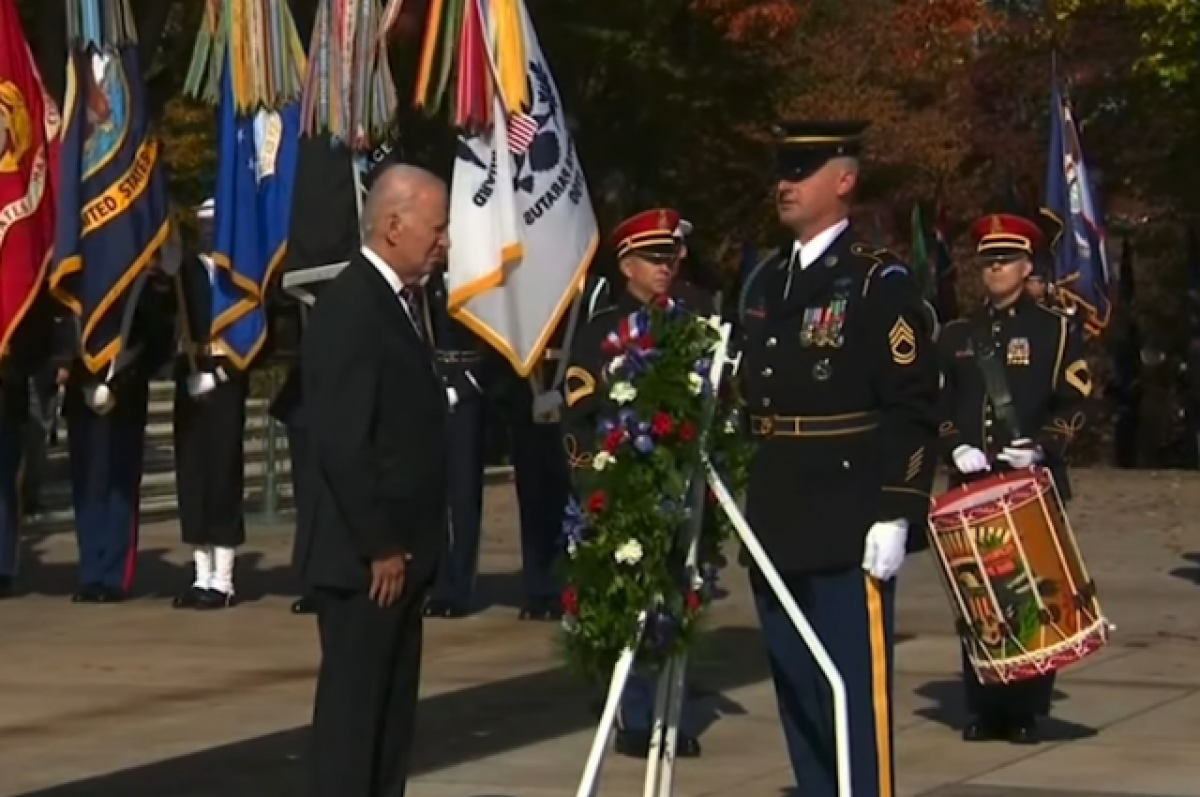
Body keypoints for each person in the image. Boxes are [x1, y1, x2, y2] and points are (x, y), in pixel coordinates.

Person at [737, 120, 940, 796]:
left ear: (844, 180)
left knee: (853, 695)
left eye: (801, 169)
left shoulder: (878, 283)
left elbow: (913, 406)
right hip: (775, 512)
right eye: (780, 169)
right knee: (796, 686)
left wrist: (899, 509)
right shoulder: (766, 280)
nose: (784, 184)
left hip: (846, 515)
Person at [298, 164, 450, 797]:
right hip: (366, 564)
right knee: (353, 732)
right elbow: (342, 440)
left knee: (388, 732)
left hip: (401, 558)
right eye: (437, 229)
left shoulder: (398, 304)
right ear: (393, 225)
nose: (445, 243)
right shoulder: (352, 306)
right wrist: (380, 543)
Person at [936, 211, 1094, 745]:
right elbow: (935, 403)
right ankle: (983, 704)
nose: (995, 271)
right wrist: (953, 444)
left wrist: (1044, 447)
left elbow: (1077, 402)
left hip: (1026, 483)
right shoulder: (958, 333)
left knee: (1029, 596)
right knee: (977, 595)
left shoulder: (1054, 329)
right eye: (987, 262)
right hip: (971, 483)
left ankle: (1025, 708)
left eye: (1005, 261)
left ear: (1027, 266)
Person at [563, 207, 707, 759]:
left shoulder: (691, 324)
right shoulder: (603, 332)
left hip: (681, 484)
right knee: (630, 603)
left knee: (677, 599)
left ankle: (671, 713)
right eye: (654, 258)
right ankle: (637, 715)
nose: (665, 267)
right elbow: (579, 411)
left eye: (670, 256)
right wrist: (591, 479)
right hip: (622, 486)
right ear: (626, 264)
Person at [58, 257, 174, 604]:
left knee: (120, 482)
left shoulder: (142, 285)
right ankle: (91, 572)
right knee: (88, 483)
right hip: (83, 392)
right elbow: (65, 330)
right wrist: (76, 377)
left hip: (124, 391)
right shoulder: (76, 276)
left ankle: (115, 575)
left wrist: (123, 381)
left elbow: (156, 339)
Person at [171, 199, 248, 610]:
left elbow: (257, 334)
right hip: (189, 377)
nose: (206, 232)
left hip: (224, 381)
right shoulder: (182, 273)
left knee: (223, 475)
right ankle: (200, 574)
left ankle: (224, 578)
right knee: (193, 476)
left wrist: (224, 374)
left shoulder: (238, 275)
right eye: (201, 224)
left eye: (213, 225)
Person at [424, 268, 492, 618]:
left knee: (463, 494)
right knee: (432, 492)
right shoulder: (424, 280)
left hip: (467, 385)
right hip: (430, 385)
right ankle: (438, 582)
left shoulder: (475, 272)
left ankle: (460, 585)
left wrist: (471, 383)